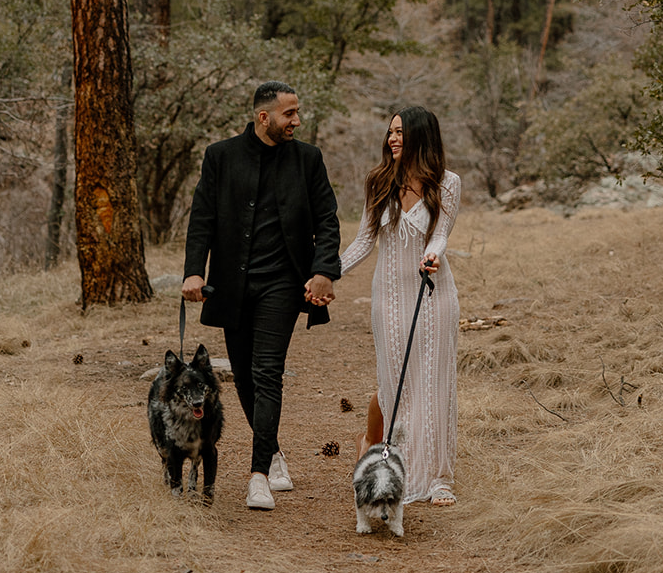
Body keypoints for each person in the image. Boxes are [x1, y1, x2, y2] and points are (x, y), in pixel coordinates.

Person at [182, 81, 341, 510]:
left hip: (283, 284)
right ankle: (272, 453)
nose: (298, 121)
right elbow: (203, 218)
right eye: (290, 114)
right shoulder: (221, 156)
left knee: (267, 372)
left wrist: (325, 270)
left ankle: (258, 476)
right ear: (263, 116)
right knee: (246, 375)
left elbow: (327, 218)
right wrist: (194, 271)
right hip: (233, 285)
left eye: (298, 112)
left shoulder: (308, 159)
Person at [341, 106, 462, 506]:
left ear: (420, 138)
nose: (393, 139)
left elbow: (440, 235)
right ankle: (388, 461)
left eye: (401, 133)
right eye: (390, 132)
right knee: (396, 385)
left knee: (434, 383)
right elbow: (363, 242)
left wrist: (433, 255)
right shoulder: (379, 182)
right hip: (389, 296)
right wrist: (326, 274)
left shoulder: (447, 183)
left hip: (434, 292)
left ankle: (439, 478)